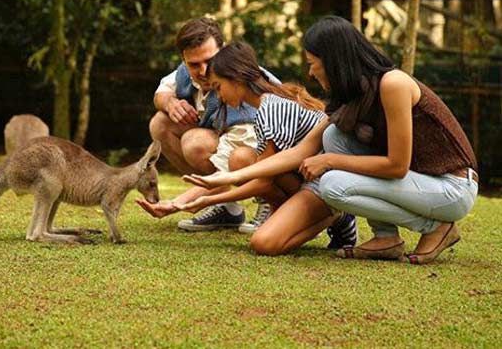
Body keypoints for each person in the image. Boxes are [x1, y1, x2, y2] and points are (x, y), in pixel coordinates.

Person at [186, 16, 478, 264]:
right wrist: (227, 177)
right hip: (420, 182)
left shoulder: (393, 84)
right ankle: (385, 238)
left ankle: (435, 226)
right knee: (334, 136)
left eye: (314, 63)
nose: (311, 73)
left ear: (335, 61)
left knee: (332, 183)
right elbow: (300, 152)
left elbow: (397, 166)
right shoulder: (351, 97)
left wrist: (329, 161)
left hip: (451, 187)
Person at [167, 41, 357, 252]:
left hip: (326, 181)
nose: (219, 97)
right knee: (242, 159)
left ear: (236, 79)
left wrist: (206, 199)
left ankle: (335, 216)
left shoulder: (271, 109)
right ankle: (303, 215)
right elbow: (267, 174)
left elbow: (262, 184)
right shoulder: (264, 109)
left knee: (263, 243)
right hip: (304, 175)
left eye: (219, 87)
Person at [146, 17, 281, 233]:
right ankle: (226, 208)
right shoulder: (194, 73)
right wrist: (170, 103)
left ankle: (272, 202)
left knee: (232, 156)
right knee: (161, 122)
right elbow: (162, 90)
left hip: (277, 161)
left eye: (210, 61)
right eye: (194, 64)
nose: (204, 71)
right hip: (237, 145)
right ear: (184, 60)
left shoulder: (243, 89)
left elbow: (226, 168)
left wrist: (179, 203)